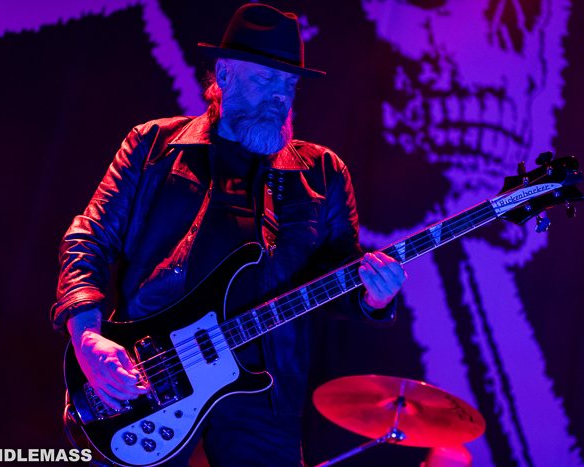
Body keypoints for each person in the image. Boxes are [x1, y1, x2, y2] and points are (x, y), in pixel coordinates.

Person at [51, 4, 407, 466]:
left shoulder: (323, 173)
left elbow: (339, 277)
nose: (280, 96)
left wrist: (374, 296)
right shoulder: (152, 146)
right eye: (266, 78)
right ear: (223, 74)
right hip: (153, 369)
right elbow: (90, 237)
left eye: (289, 84)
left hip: (265, 388)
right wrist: (87, 336)